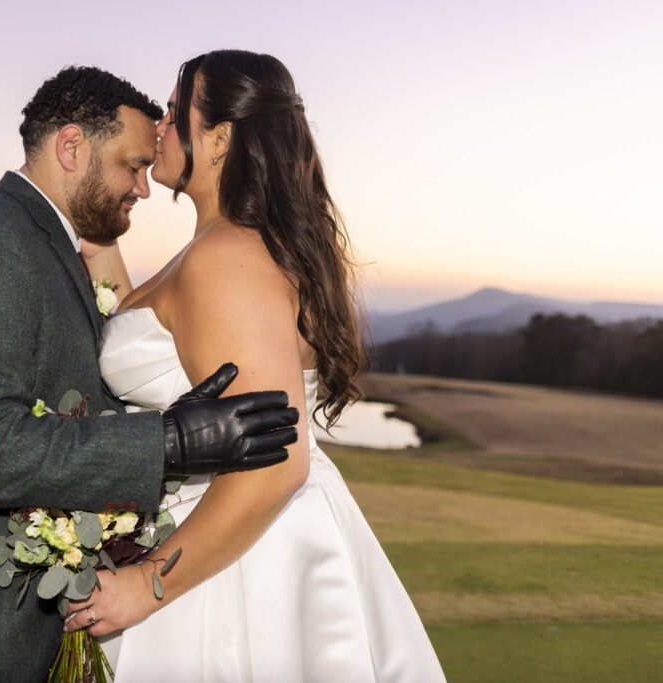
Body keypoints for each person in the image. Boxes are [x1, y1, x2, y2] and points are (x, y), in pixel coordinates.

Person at [0, 65, 300, 682]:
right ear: (72, 147)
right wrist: (167, 441)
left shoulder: (51, 245)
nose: (143, 185)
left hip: (28, 631)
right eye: (132, 165)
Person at [65, 51, 446, 682]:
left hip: (232, 557)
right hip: (226, 532)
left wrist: (145, 584)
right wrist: (100, 244)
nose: (158, 126)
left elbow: (275, 461)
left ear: (216, 137)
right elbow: (168, 350)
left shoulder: (227, 259)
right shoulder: (228, 247)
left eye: (172, 109)